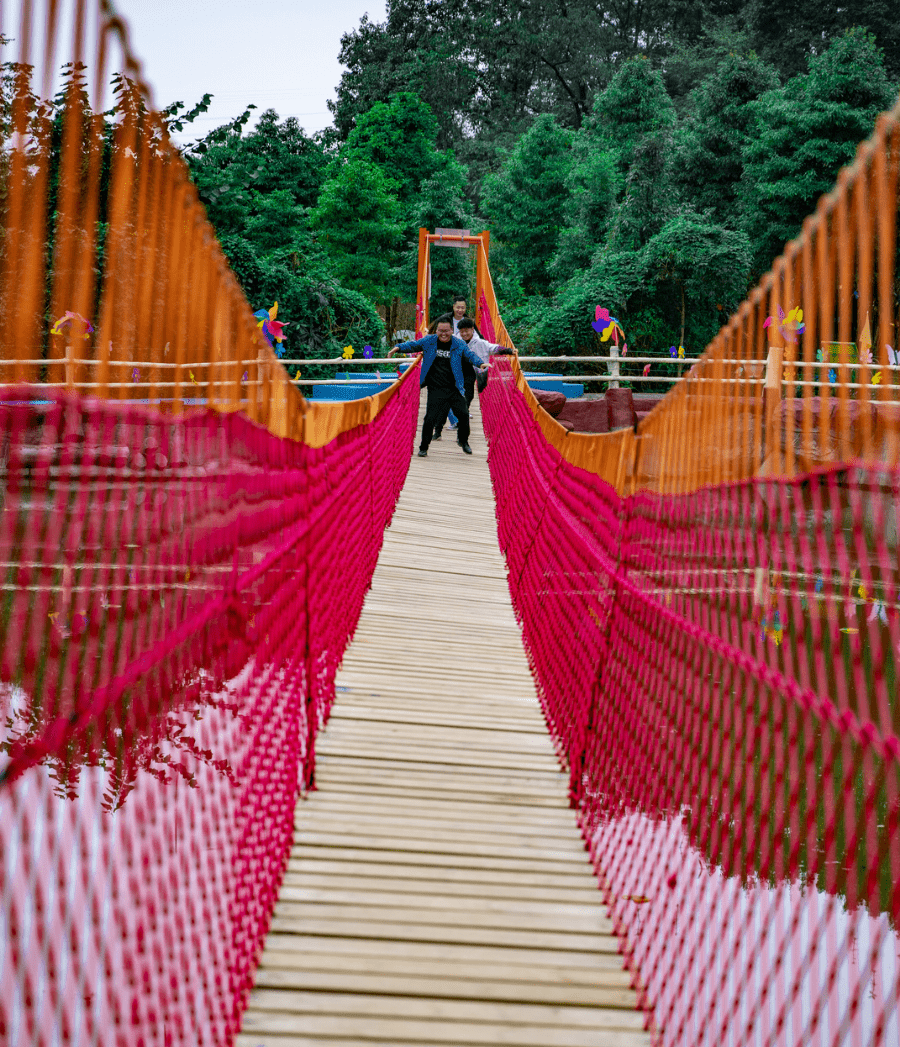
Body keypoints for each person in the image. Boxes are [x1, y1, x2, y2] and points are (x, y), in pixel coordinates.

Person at [394, 314, 486, 457]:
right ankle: (423, 447)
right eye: (440, 331)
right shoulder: (429, 341)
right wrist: (398, 348)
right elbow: (413, 345)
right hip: (436, 389)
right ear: (436, 331)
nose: (443, 334)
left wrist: (480, 363)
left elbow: (470, 354)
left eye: (446, 331)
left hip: (455, 388)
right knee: (430, 418)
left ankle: (463, 441)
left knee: (464, 415)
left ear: (451, 330)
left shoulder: (459, 344)